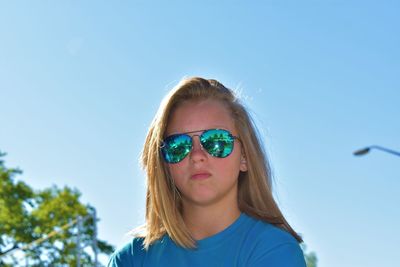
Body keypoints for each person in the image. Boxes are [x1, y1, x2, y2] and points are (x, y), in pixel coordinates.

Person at [108, 77, 306, 266]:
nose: (196, 155)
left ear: (244, 156)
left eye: (216, 141)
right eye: (178, 145)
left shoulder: (274, 249)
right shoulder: (130, 260)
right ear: (164, 165)